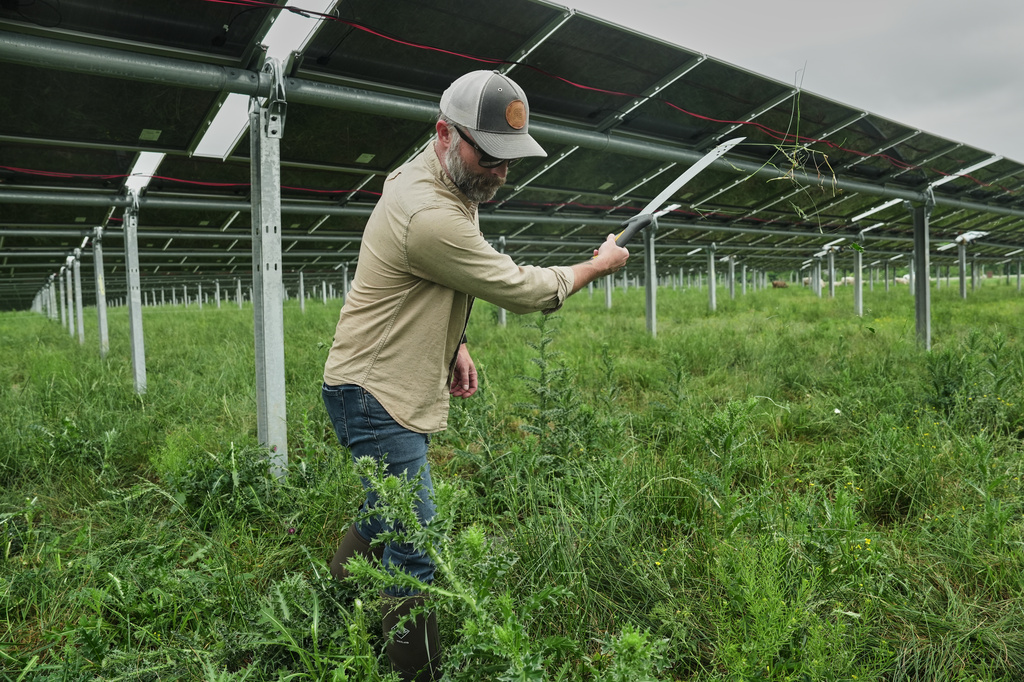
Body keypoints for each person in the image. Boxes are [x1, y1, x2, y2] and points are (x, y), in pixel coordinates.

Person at [321, 69, 629, 681]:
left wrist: (455, 342)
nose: (499, 173)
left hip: (370, 381)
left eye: (508, 161)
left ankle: (329, 613)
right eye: (488, 156)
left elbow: (434, 283)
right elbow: (518, 287)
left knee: (387, 515)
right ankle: (417, 674)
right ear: (445, 133)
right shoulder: (429, 214)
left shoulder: (439, 175)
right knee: (417, 544)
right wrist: (594, 268)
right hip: (376, 393)